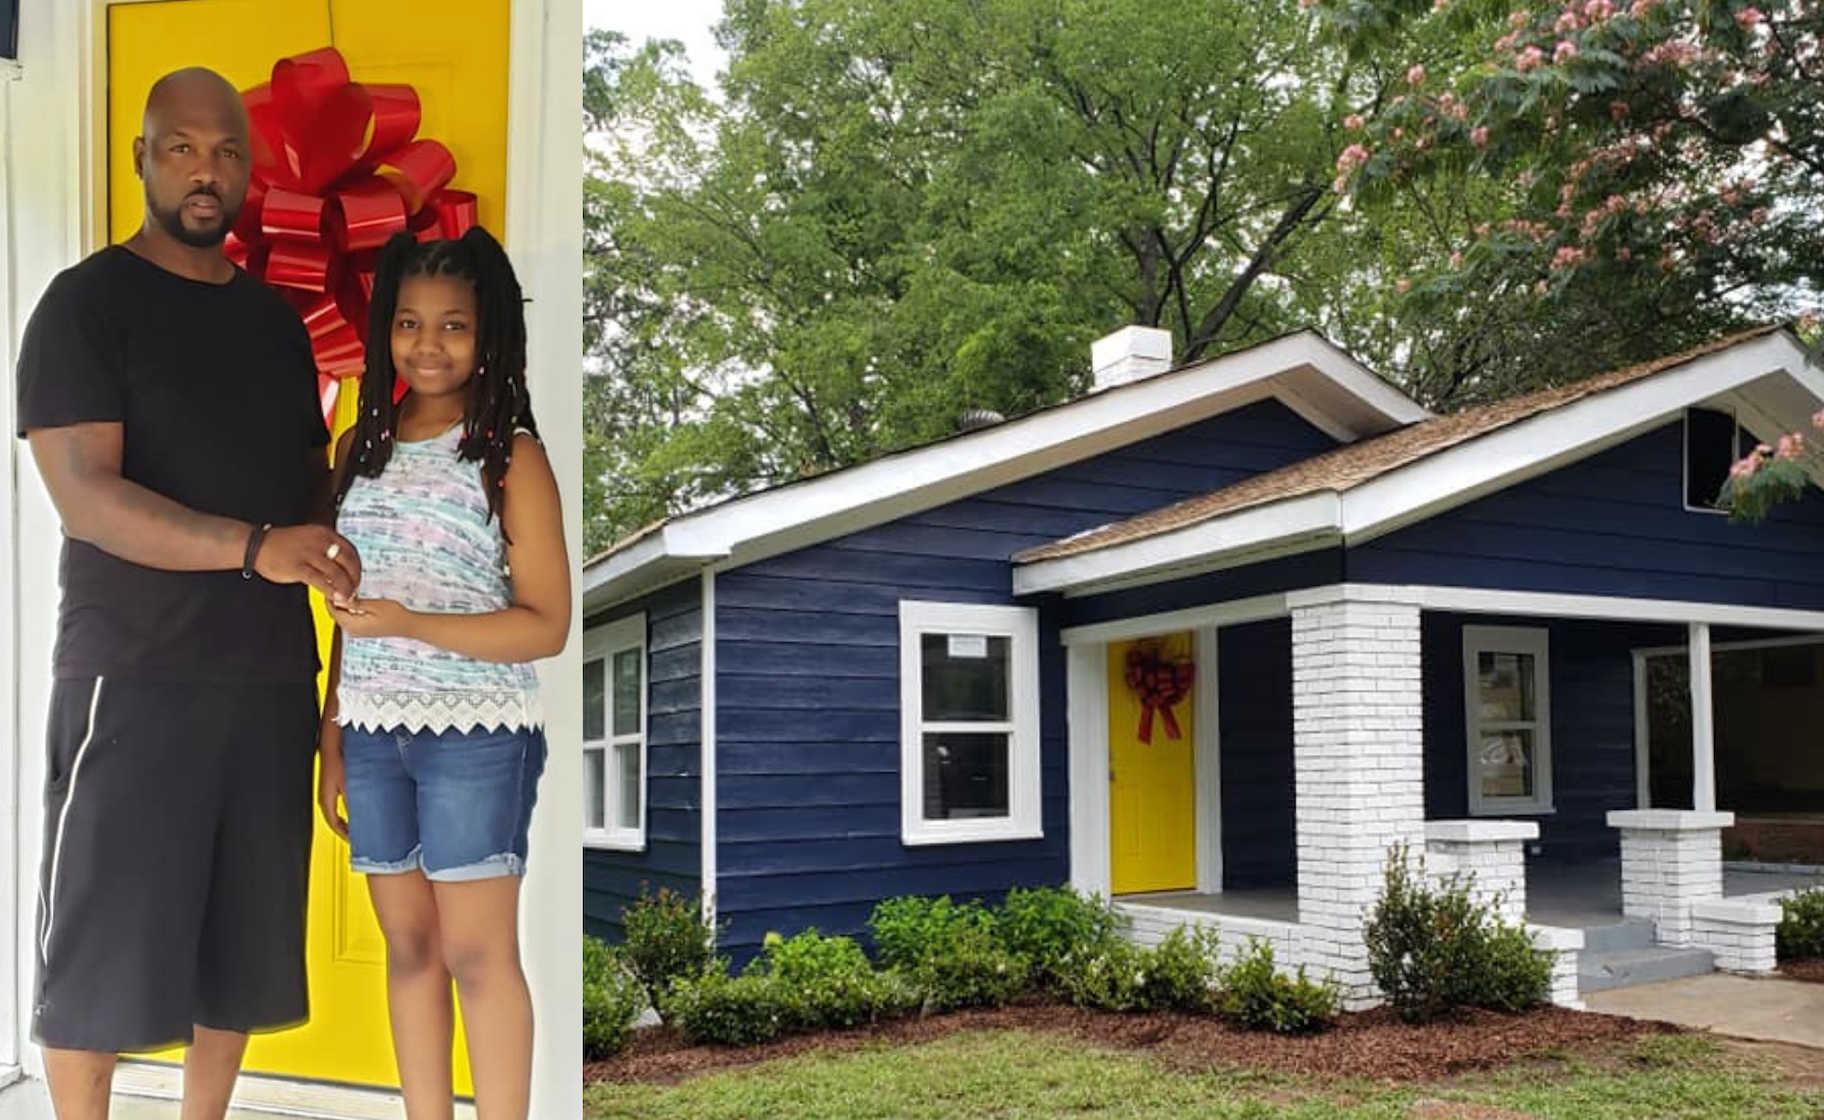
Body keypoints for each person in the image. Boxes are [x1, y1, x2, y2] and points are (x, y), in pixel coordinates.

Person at [14, 68, 362, 1119]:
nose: (205, 173)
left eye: (225, 154)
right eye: (182, 149)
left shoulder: (277, 327)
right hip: (135, 666)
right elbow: (86, 497)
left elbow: (316, 501)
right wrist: (257, 547)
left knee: (242, 942)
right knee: (98, 939)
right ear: (143, 159)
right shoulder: (87, 305)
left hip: (267, 676)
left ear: (249, 173)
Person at [316, 226, 569, 1120]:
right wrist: (332, 734)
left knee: (476, 954)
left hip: (477, 734)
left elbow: (548, 625)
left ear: (489, 333)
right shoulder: (359, 451)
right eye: (411, 324)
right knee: (411, 947)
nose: (429, 346)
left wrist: (414, 623)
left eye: (454, 326)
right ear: (386, 328)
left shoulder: (509, 455)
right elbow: (349, 610)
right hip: (374, 733)